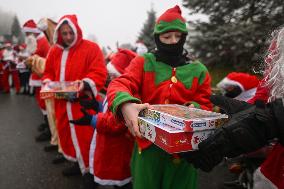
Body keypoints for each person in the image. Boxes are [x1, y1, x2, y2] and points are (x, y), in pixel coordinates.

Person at [107, 5, 212, 189]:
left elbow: (206, 103)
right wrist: (125, 104)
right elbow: (119, 84)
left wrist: (196, 109)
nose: (173, 42)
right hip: (148, 148)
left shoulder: (199, 70)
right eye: (166, 37)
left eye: (178, 37)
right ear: (157, 37)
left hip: (184, 152)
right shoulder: (143, 62)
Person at [182, 27, 284, 189]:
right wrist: (249, 111)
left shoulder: (201, 70)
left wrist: (271, 119)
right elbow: (266, 91)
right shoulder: (280, 41)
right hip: (273, 173)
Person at [42, 14, 107, 178]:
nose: (68, 37)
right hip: (62, 103)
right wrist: (49, 82)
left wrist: (84, 84)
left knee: (86, 139)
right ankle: (77, 164)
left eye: (71, 32)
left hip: (83, 104)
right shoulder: (54, 51)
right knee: (67, 134)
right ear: (59, 34)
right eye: (64, 34)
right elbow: (48, 71)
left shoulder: (91, 48)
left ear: (77, 30)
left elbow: (99, 72)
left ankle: (91, 172)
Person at [70, 48, 137, 189]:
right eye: (110, 75)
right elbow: (109, 108)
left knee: (120, 177)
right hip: (110, 143)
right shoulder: (115, 89)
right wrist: (98, 106)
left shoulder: (127, 97)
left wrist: (92, 120)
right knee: (110, 170)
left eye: (115, 75)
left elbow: (116, 122)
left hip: (118, 146)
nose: (110, 79)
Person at [22, 19, 51, 140]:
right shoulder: (36, 41)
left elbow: (42, 60)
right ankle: (47, 124)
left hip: (41, 77)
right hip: (37, 76)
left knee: (44, 103)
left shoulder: (42, 42)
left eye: (28, 34)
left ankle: (49, 130)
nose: (27, 36)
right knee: (41, 102)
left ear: (33, 33)